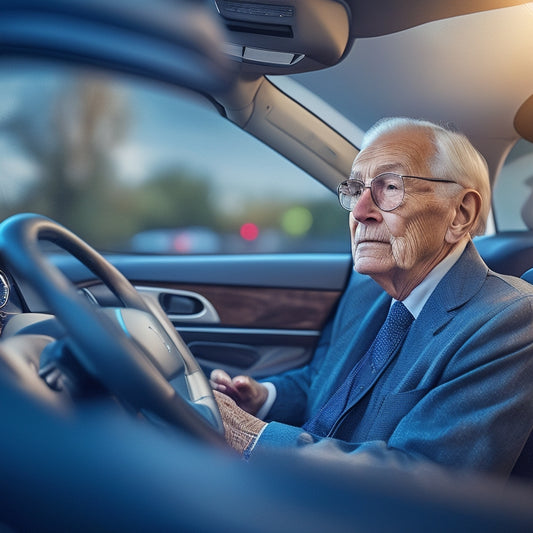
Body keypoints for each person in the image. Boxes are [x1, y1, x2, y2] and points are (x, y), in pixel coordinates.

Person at [211, 117, 533, 478]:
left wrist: (248, 435)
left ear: (460, 214)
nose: (360, 212)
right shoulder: (368, 288)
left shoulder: (512, 321)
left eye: (390, 187)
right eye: (355, 189)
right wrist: (263, 398)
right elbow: (326, 382)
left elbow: (427, 481)